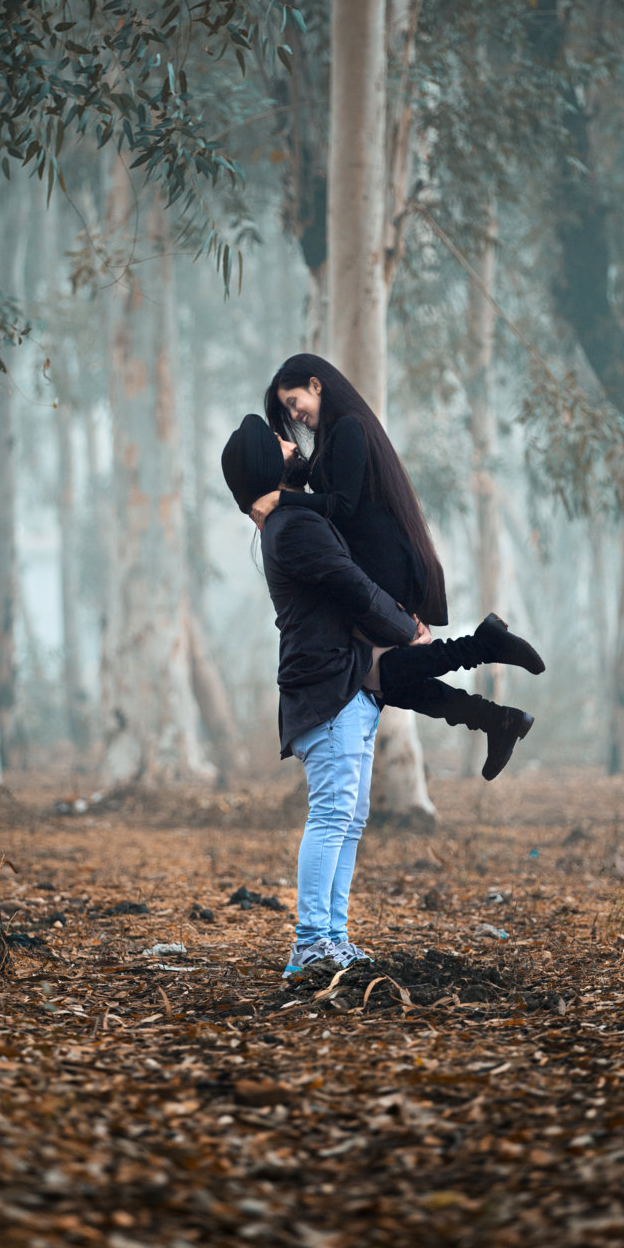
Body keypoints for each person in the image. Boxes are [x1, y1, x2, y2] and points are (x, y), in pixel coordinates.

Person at [221, 415, 545, 978]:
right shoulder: (292, 529)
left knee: (349, 817)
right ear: (262, 464)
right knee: (332, 816)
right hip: (326, 689)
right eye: (275, 441)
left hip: (344, 682)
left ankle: (333, 939)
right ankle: (310, 945)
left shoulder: (295, 519)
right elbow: (351, 585)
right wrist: (406, 627)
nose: (288, 441)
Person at [256, 352, 544, 764]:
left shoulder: (350, 429)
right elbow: (315, 486)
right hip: (374, 563)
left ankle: (484, 650)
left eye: (294, 402)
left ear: (316, 385)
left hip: (386, 564)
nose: (295, 414)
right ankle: (495, 717)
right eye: (288, 410)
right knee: (383, 679)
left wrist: (281, 498)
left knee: (381, 675)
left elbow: (344, 505)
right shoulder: (330, 440)